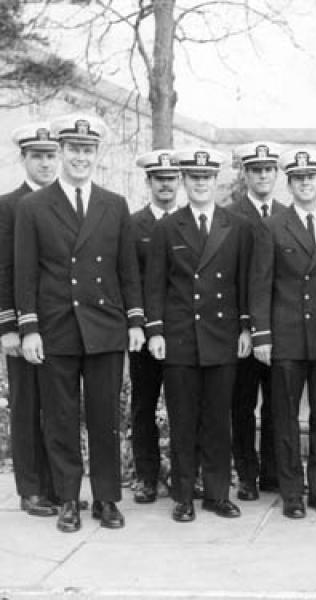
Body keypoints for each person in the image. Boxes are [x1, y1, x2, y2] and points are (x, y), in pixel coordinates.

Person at [15, 113, 145, 532]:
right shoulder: (34, 206)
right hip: (57, 327)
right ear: (62, 151)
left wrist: (136, 322)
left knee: (105, 417)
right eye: (73, 149)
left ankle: (106, 499)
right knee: (60, 417)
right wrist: (29, 327)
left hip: (105, 327)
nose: (80, 157)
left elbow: (128, 270)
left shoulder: (114, 203)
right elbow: (25, 272)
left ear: (96, 154)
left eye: (87, 150)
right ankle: (68, 498)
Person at [145, 147, 268, 523]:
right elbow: (155, 284)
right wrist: (155, 331)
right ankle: (183, 496)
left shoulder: (237, 226)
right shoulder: (167, 227)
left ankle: (217, 494)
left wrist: (247, 327)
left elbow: (244, 282)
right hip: (181, 337)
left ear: (216, 182)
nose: (200, 184)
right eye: (194, 178)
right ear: (184, 181)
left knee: (219, 420)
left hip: (222, 336)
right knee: (183, 421)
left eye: (207, 179)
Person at [255, 148, 316, 519]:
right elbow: (260, 284)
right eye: (298, 178)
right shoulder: (272, 226)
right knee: (285, 417)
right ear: (289, 184)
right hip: (287, 336)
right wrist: (262, 335)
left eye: (311, 178)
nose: (305, 183)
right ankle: (292, 491)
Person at [0, 122, 59, 517]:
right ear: (24, 158)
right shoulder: (9, 205)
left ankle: (57, 485)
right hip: (24, 325)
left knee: (58, 405)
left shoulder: (66, 201)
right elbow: (4, 269)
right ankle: (31, 488)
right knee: (26, 404)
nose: (45, 163)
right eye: (37, 156)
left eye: (50, 155)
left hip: (60, 325)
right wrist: (8, 326)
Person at [227, 140, 288, 500]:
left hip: (280, 326)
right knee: (243, 404)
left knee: (278, 403)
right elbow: (230, 277)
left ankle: (272, 473)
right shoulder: (231, 217)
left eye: (268, 170)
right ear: (246, 175)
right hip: (242, 330)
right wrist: (244, 326)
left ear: (276, 174)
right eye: (256, 170)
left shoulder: (287, 213)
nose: (263, 176)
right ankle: (246, 475)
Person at [128, 150, 181, 504]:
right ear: (148, 182)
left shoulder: (190, 222)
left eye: (171, 178)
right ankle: (147, 476)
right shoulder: (132, 225)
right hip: (146, 331)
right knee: (143, 405)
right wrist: (140, 326)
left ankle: (184, 475)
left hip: (183, 333)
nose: (165, 184)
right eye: (158, 178)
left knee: (185, 406)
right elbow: (130, 279)